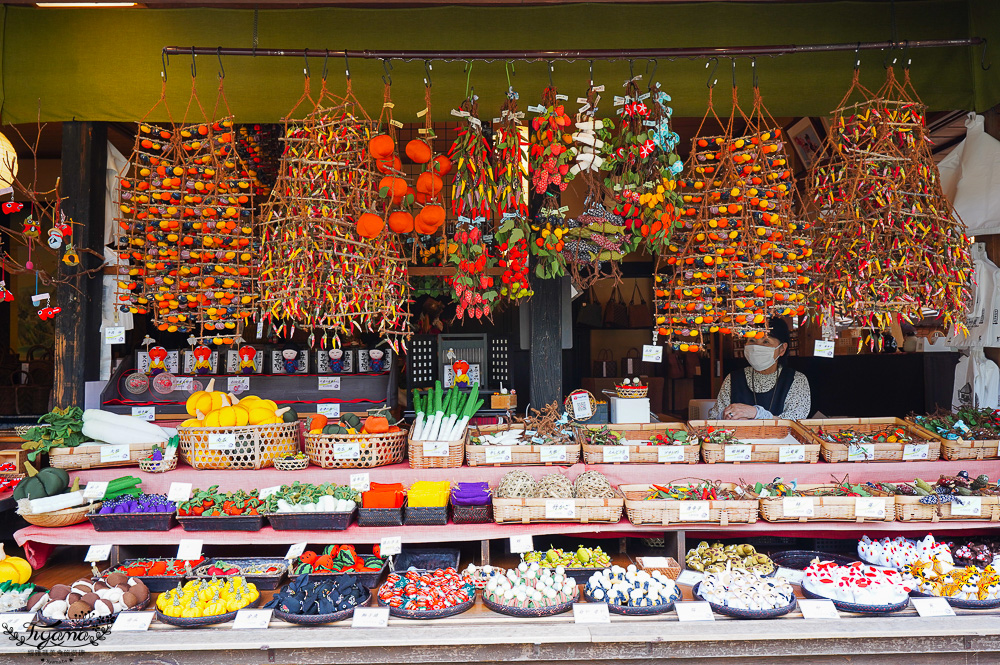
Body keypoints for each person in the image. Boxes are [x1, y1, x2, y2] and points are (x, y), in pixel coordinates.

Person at [708, 317, 811, 420]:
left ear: (782, 349)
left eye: (766, 341)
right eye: (752, 340)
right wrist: (728, 416)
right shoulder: (733, 379)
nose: (757, 347)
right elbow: (714, 419)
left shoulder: (796, 380)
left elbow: (794, 424)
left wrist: (756, 413)